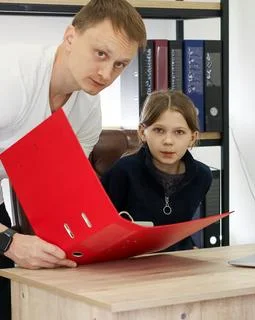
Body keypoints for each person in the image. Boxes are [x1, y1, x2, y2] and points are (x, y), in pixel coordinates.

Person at [0, 0, 146, 318]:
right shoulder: (10, 79)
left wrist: (111, 239)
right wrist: (8, 241)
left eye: (120, 64)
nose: (107, 74)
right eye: (101, 54)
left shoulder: (86, 112)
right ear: (70, 37)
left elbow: (59, 193)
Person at [101, 90, 212, 251]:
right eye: (159, 130)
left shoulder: (202, 176)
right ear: (142, 132)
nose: (168, 141)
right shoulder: (123, 171)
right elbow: (100, 230)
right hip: (129, 261)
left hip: (178, 260)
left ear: (192, 137)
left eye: (179, 132)